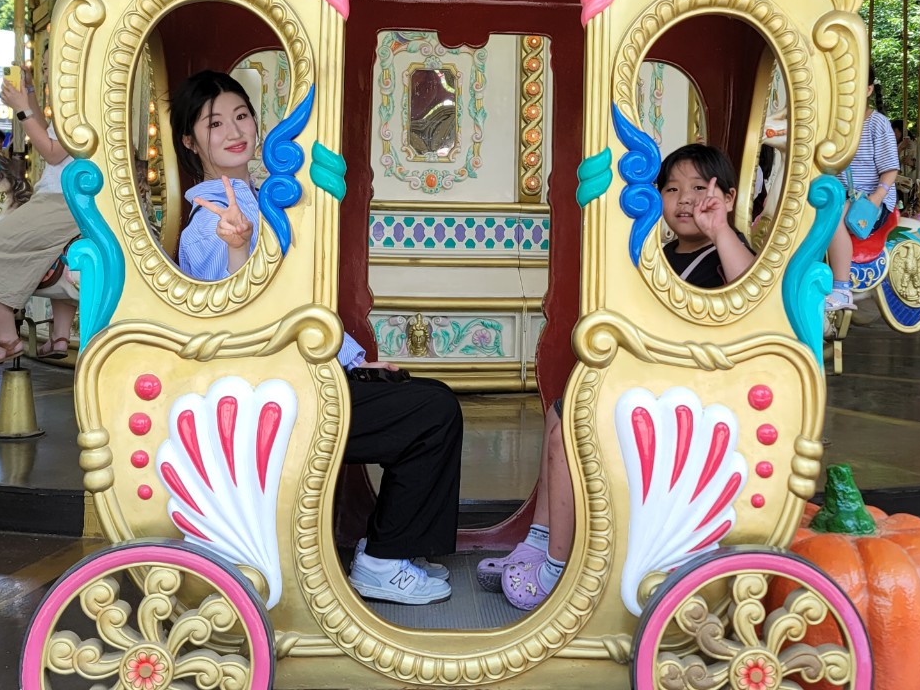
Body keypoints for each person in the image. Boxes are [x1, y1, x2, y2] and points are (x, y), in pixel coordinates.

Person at [171, 70, 461, 606]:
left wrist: (355, 361)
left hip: (296, 374)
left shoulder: (255, 199)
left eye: (241, 115)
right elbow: (232, 305)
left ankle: (395, 547)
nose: (234, 130)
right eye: (214, 124)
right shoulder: (211, 221)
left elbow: (295, 306)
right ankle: (382, 560)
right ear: (190, 142)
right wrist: (237, 247)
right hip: (270, 392)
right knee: (432, 413)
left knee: (423, 396)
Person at [486, 144, 756, 610]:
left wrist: (720, 230)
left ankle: (556, 568)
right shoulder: (660, 257)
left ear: (728, 197)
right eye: (672, 189)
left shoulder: (726, 254)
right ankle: (540, 538)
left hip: (695, 394)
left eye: (699, 188)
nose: (686, 200)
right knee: (559, 415)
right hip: (654, 380)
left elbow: (750, 297)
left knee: (568, 434)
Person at [0, 68, 80, 364]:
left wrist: (21, 109)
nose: (47, 70)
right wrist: (31, 93)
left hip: (60, 200)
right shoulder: (77, 103)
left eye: (50, 65)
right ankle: (60, 336)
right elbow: (49, 131)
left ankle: (7, 339)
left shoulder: (83, 106)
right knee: (53, 255)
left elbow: (52, 152)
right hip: (65, 197)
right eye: (45, 66)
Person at [826, 65, 899, 311]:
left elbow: (890, 169)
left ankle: (841, 288)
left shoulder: (877, 123)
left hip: (871, 200)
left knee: (834, 214)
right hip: (839, 194)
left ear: (868, 90)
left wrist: (876, 198)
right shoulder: (833, 124)